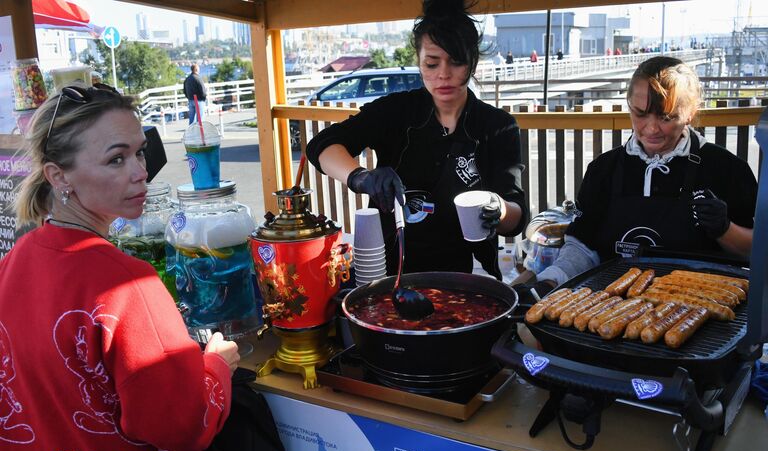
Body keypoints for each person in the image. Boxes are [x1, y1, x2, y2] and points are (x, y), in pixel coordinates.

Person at [0, 84, 240, 451]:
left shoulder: (12, 263)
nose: (140, 171)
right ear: (58, 177)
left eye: (139, 152)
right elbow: (181, 426)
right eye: (116, 159)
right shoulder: (128, 282)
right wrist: (217, 366)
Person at [306, 0, 528, 280]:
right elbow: (322, 145)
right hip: (390, 267)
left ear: (473, 61)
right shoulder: (396, 111)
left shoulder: (497, 126)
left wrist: (498, 206)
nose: (443, 74)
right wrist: (361, 177)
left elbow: (516, 218)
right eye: (432, 63)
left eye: (456, 62)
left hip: (467, 270)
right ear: (419, 61)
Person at [525, 56, 756, 295]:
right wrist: (549, 281)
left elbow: (755, 249)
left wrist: (724, 229)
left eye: (666, 117)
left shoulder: (727, 169)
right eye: (640, 113)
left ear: (690, 112)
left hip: (699, 310)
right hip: (610, 307)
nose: (652, 128)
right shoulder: (604, 169)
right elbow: (583, 246)